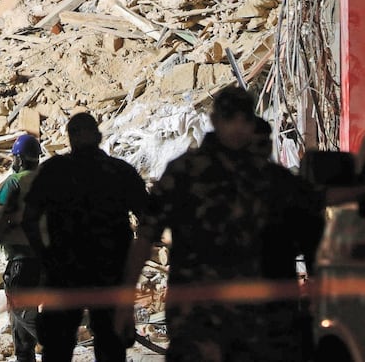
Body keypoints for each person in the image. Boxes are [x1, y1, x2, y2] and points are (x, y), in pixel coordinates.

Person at [116, 86, 326, 362]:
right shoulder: (185, 175)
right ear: (215, 120)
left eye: (244, 118)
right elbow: (145, 238)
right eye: (230, 117)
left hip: (262, 324)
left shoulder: (276, 181)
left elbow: (314, 245)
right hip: (202, 323)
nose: (237, 126)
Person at [22, 112, 148, 362]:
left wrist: (46, 257)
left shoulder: (54, 171)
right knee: (110, 346)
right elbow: (149, 219)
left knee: (58, 347)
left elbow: (29, 220)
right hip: (109, 272)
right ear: (99, 136)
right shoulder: (119, 171)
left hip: (64, 272)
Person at [0, 133, 43, 362]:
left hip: (21, 257)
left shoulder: (15, 181)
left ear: (19, 159)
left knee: (20, 309)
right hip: (43, 258)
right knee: (19, 314)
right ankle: (24, 357)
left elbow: (0, 217)